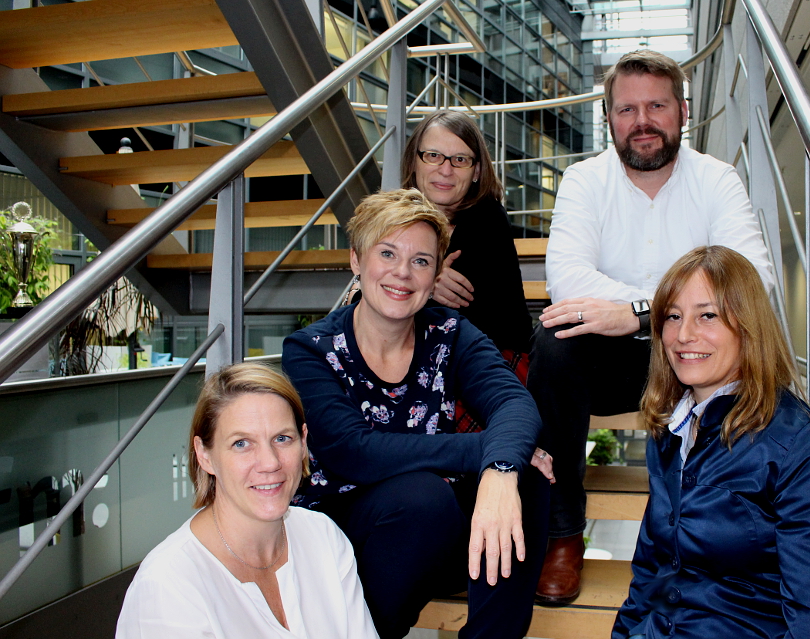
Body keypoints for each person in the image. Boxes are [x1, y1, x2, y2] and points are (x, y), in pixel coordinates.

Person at [529, 49, 775, 604]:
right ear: (609, 118)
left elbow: (753, 278)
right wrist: (652, 309)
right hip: (615, 363)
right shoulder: (584, 180)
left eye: (656, 106)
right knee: (554, 338)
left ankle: (716, 541)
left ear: (682, 111)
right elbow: (567, 279)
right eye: (626, 109)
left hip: (699, 354)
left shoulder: (716, 179)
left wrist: (643, 312)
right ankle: (562, 534)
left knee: (739, 337)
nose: (642, 121)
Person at [282, 189, 551, 639]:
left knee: (527, 476)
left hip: (436, 531)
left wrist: (502, 469)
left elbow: (514, 402)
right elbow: (354, 452)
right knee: (423, 496)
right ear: (356, 260)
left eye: (422, 261)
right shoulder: (312, 350)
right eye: (387, 253)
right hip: (348, 536)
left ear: (436, 274)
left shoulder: (448, 331)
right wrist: (485, 450)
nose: (402, 273)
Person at [613, 245, 810, 639]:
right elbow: (651, 574)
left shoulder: (809, 448)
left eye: (707, 315)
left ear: (747, 326)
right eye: (672, 317)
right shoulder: (671, 430)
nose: (683, 334)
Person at [116, 363, 378, 639]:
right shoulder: (169, 585)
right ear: (204, 455)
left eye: (282, 438)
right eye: (241, 443)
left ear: (303, 442)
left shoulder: (323, 537)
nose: (270, 462)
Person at [402, 110, 533, 424]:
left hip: (487, 362)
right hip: (417, 359)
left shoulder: (487, 219)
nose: (445, 170)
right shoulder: (394, 218)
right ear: (415, 162)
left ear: (476, 171)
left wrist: (412, 277)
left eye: (460, 160)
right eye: (433, 155)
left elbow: (453, 319)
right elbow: (366, 297)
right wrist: (427, 278)